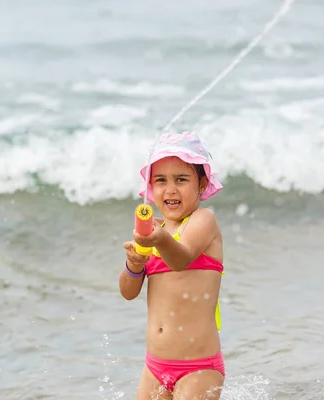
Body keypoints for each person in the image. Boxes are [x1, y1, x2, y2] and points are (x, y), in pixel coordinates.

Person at [119, 131, 226, 399]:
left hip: (197, 367)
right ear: (151, 189)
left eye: (181, 179)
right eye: (161, 180)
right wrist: (134, 263)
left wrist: (159, 239)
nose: (170, 189)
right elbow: (128, 292)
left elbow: (180, 258)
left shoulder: (203, 221)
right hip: (154, 367)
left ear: (201, 185)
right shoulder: (155, 232)